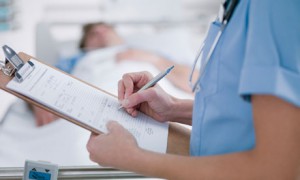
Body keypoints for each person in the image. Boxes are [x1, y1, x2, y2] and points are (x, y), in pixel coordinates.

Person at [86, 0, 300, 179]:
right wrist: (174, 108)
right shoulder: (241, 6)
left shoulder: (274, 6)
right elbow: (244, 113)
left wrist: (132, 158)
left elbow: (278, 170)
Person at [33, 22, 196, 126]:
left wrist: (152, 59)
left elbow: (197, 82)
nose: (101, 33)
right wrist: (36, 100)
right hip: (89, 109)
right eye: (93, 34)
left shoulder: (148, 53)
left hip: (158, 110)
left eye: (105, 29)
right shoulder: (77, 59)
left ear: (118, 35)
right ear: (85, 44)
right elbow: (41, 78)